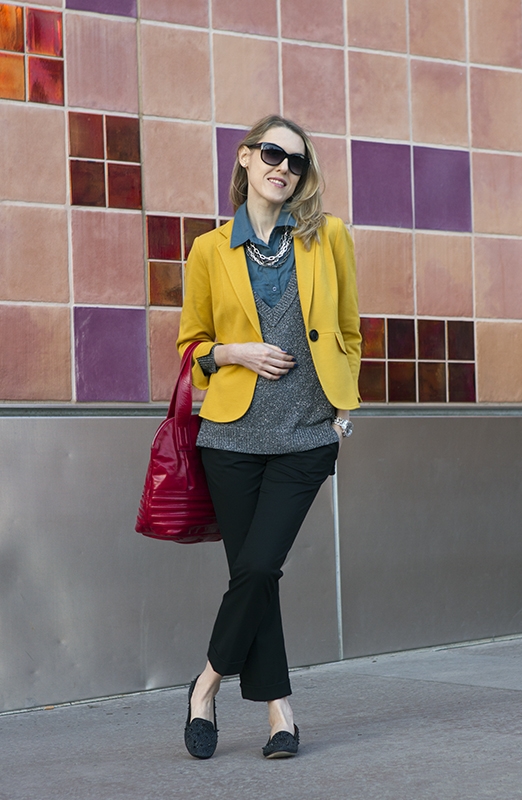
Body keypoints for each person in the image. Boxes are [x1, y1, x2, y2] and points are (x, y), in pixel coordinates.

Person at [176, 114, 361, 759]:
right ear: (246, 158)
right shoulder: (209, 249)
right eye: (274, 154)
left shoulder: (327, 237)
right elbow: (192, 349)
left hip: (308, 434)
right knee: (253, 574)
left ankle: (205, 685)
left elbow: (351, 331)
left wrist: (344, 410)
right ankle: (281, 713)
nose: (285, 167)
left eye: (298, 162)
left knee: (258, 565)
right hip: (231, 436)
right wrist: (235, 352)